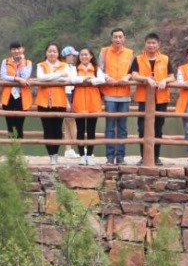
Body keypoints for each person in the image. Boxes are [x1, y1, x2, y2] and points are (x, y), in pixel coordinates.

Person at [131, 33, 171, 166]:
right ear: (145, 44)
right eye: (149, 42)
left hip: (161, 97)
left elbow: (173, 76)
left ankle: (156, 157)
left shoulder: (165, 59)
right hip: (144, 98)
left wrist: (165, 80)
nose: (151, 45)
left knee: (158, 128)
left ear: (158, 44)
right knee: (142, 128)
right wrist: (146, 78)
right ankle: (144, 156)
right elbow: (134, 75)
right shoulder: (138, 59)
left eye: (154, 43)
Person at [97, 27, 134, 165]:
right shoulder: (104, 52)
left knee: (123, 127)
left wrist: (127, 76)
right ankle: (110, 156)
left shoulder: (130, 53)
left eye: (120, 37)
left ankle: (121, 156)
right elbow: (99, 69)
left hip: (125, 94)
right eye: (115, 37)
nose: (118, 39)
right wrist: (106, 77)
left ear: (124, 38)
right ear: (111, 38)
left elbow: (133, 71)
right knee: (110, 126)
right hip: (109, 94)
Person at [35, 44, 75, 166]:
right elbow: (41, 78)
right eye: (50, 51)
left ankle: (56, 154)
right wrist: (58, 75)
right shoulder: (40, 65)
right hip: (43, 102)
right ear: (46, 52)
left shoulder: (64, 66)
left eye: (54, 51)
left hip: (59, 101)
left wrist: (51, 78)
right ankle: (51, 155)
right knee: (47, 129)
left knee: (57, 129)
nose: (52, 53)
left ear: (58, 54)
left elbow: (67, 79)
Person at [72, 48, 105, 165]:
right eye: (81, 55)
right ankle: (81, 155)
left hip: (93, 102)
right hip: (79, 101)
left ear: (91, 56)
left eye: (86, 54)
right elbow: (72, 79)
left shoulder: (96, 69)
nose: (84, 57)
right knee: (80, 130)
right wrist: (83, 79)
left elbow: (101, 80)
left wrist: (92, 80)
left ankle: (90, 155)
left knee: (91, 130)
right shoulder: (75, 69)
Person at [0, 41, 32, 139]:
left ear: (23, 49)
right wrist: (17, 79)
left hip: (22, 97)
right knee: (10, 124)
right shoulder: (6, 61)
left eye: (18, 48)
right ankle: (11, 151)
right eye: (14, 49)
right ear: (11, 51)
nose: (16, 51)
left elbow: (26, 76)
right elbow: (3, 76)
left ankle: (18, 151)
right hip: (8, 96)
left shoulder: (27, 62)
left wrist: (21, 63)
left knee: (19, 124)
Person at [61, 46, 80, 159]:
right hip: (66, 94)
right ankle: (81, 145)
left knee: (68, 123)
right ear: (66, 56)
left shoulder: (72, 67)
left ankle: (69, 149)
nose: (73, 57)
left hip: (73, 93)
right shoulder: (62, 67)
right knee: (71, 121)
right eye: (71, 55)